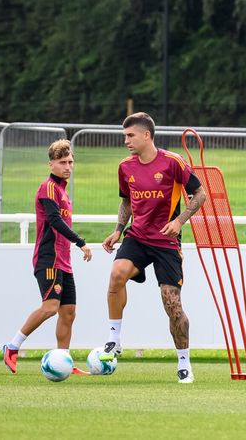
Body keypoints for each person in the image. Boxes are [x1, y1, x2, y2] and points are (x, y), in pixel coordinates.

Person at [100, 112, 207, 383]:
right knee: (116, 273)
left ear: (146, 135)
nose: (126, 141)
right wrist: (118, 230)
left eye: (130, 135)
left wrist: (179, 221)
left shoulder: (172, 162)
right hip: (137, 236)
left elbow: (200, 194)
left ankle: (184, 363)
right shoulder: (125, 167)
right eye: (125, 136)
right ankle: (114, 340)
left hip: (166, 242)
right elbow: (126, 201)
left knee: (172, 305)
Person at [2, 140, 92, 373]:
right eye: (62, 162)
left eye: (70, 162)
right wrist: (80, 242)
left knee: (68, 312)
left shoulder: (62, 190)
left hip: (64, 261)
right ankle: (12, 347)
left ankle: (64, 361)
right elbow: (54, 220)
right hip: (49, 258)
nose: (67, 167)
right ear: (51, 164)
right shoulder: (48, 188)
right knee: (51, 307)